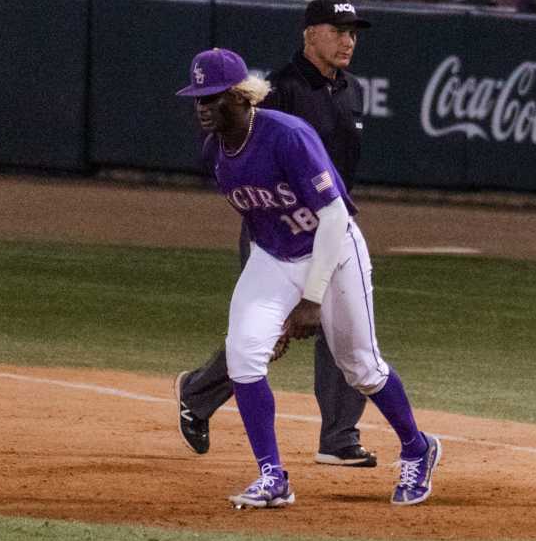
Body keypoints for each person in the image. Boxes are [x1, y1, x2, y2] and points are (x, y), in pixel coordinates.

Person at [175, 46, 440, 511]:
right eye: (197, 98)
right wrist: (273, 309)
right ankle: (272, 476)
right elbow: (260, 223)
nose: (201, 107)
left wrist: (310, 301)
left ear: (241, 96)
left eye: (211, 97)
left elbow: (335, 218)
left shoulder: (287, 136)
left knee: (361, 367)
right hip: (274, 256)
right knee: (243, 354)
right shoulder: (215, 154)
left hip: (334, 251)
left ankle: (417, 448)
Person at [175, 0, 381, 468]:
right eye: (338, 30)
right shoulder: (282, 91)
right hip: (276, 234)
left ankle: (339, 436)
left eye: (353, 31)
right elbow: (245, 155)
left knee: (341, 325)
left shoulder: (350, 91)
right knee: (266, 337)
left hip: (328, 226)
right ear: (310, 35)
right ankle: (197, 393)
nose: (348, 40)